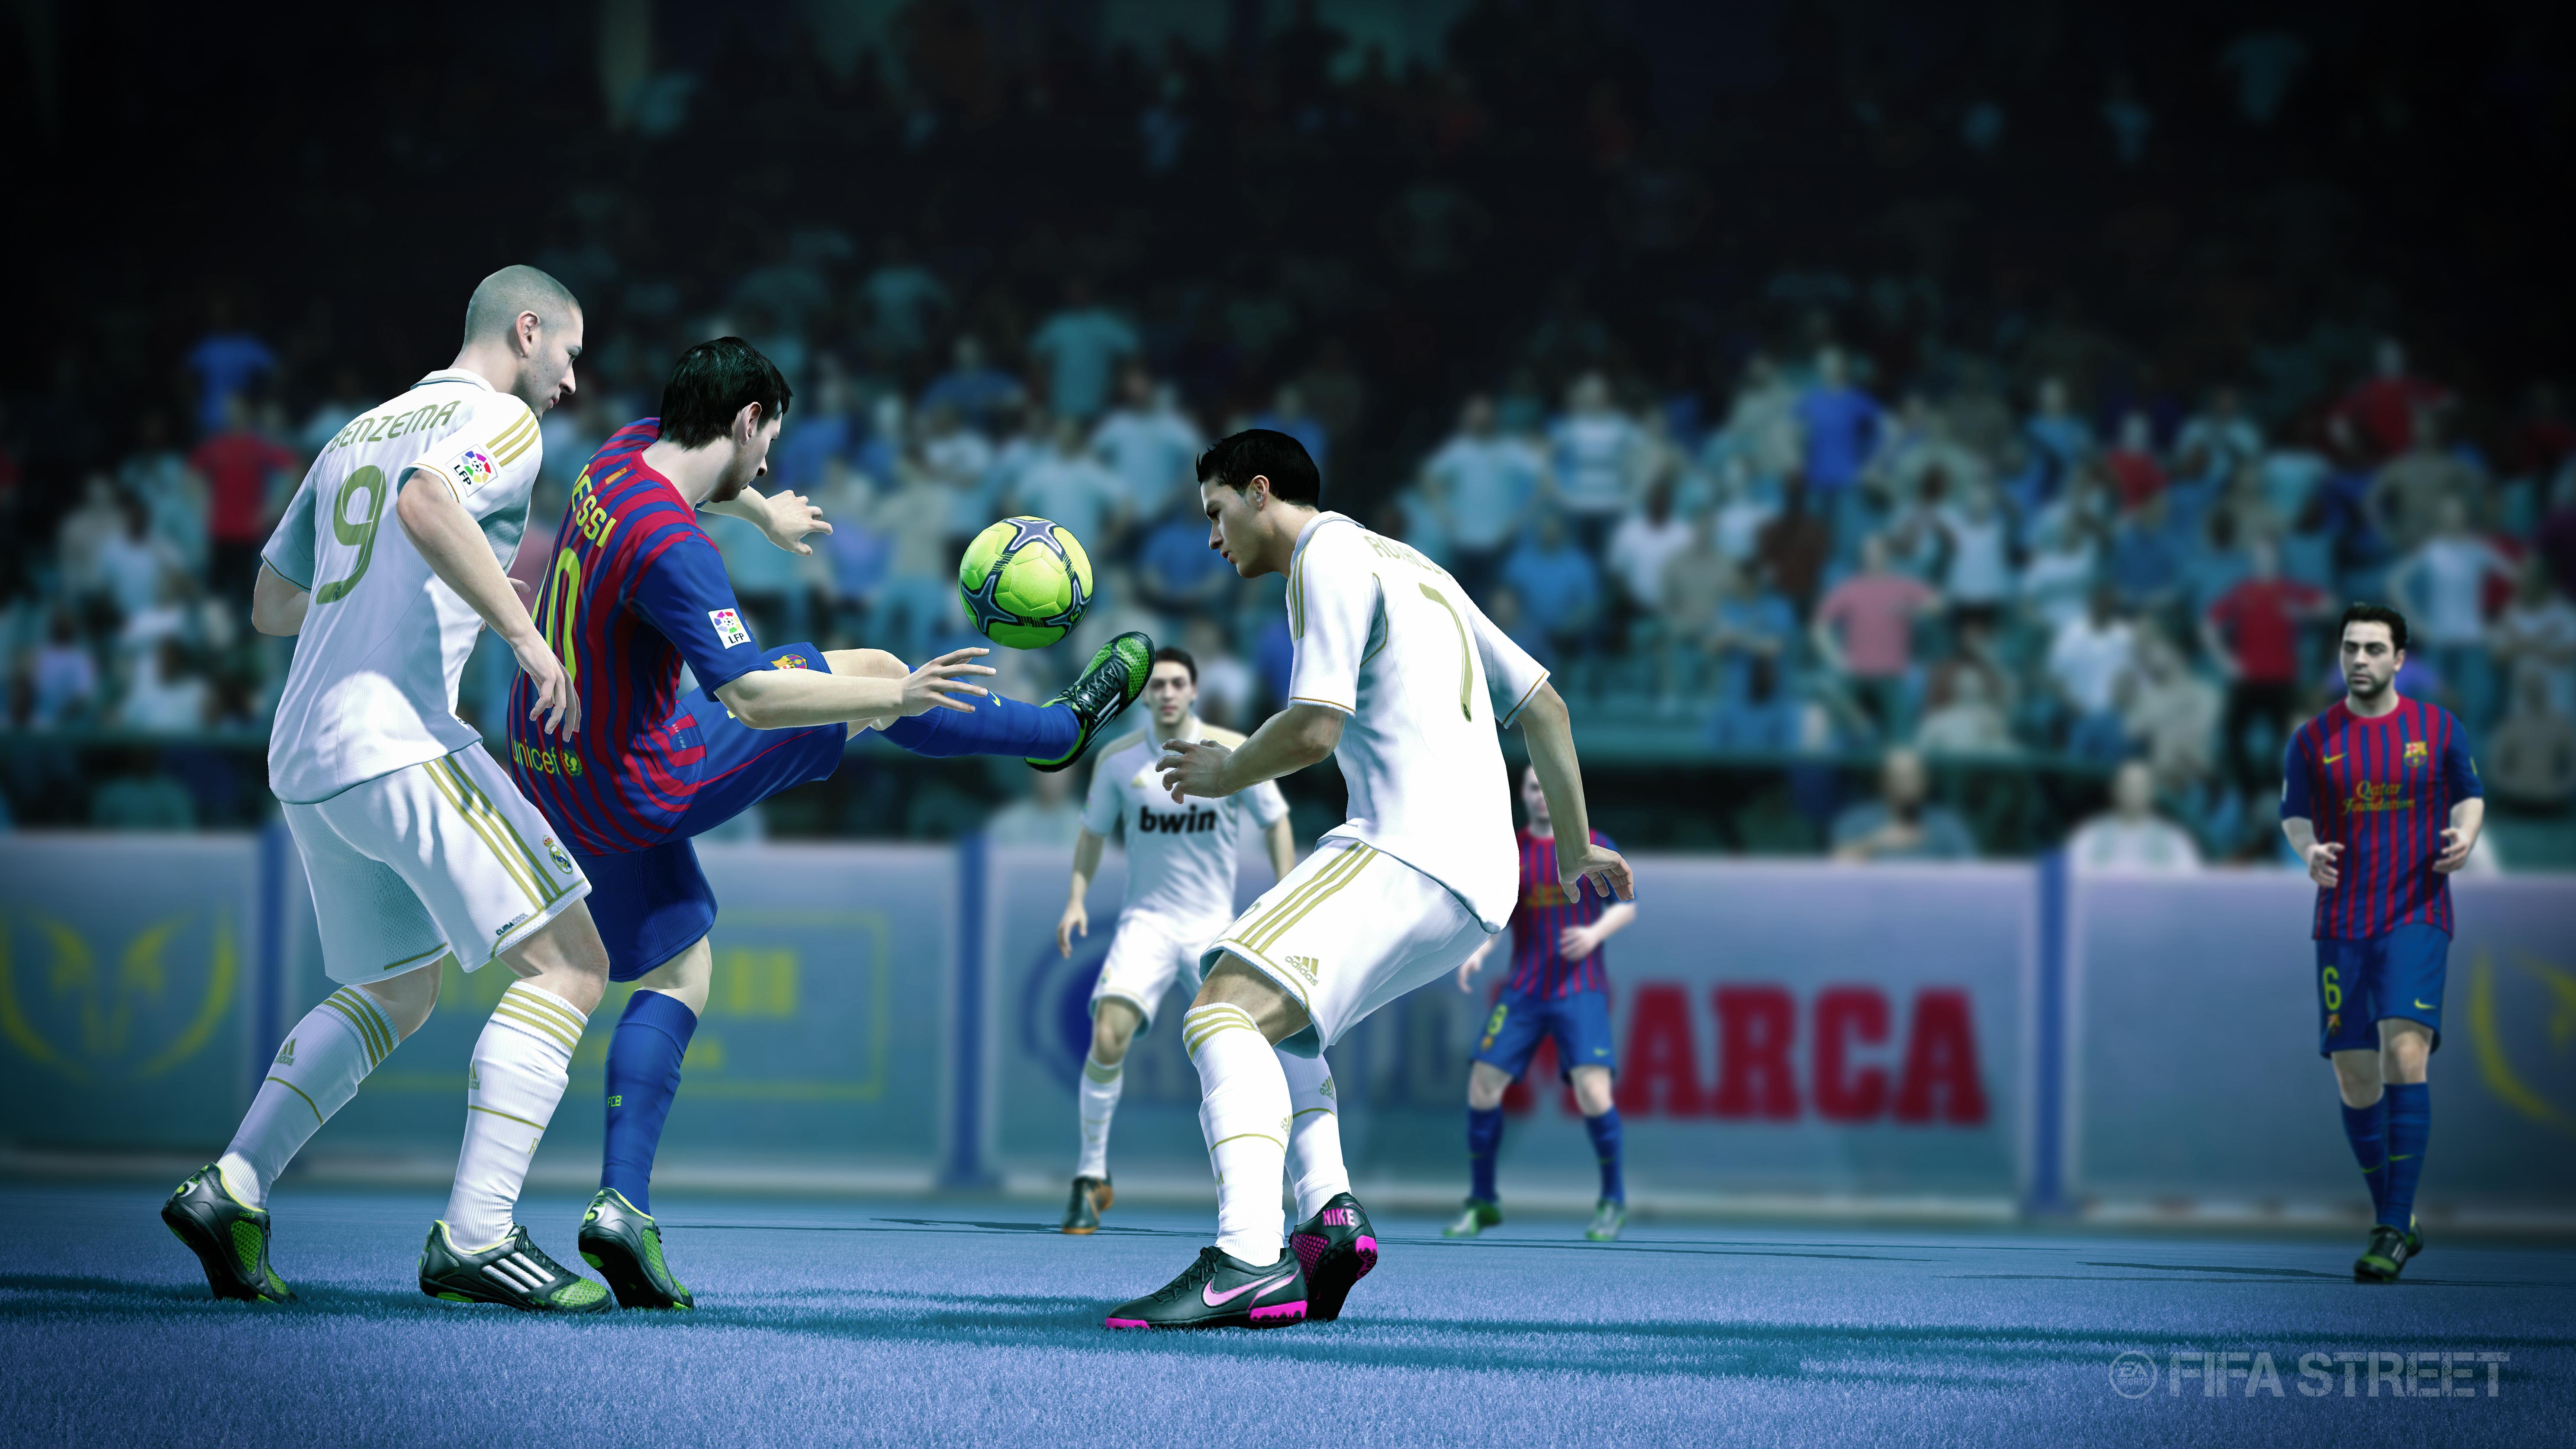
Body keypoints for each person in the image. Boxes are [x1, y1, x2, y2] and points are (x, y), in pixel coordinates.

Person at [506, 337, 1154, 1309]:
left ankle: (621, 1208)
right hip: (640, 780)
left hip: (547, 758)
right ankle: (1058, 732)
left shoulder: (617, 458)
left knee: (681, 968)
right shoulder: (674, 544)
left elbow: (701, 485)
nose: (770, 458)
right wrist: (889, 701)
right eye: (769, 442)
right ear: (746, 420)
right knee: (874, 668)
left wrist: (761, 510)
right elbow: (752, 697)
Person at [161, 266, 621, 1312]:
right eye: (568, 353)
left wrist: (391, 585)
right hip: (398, 738)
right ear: (528, 330)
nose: (570, 380)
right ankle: (477, 1236)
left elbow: (272, 602)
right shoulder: (500, 420)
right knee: (571, 963)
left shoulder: (354, 433)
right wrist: (523, 635)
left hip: (306, 757)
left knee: (396, 988)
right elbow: (425, 502)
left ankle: (233, 1187)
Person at [1108, 428, 1630, 1330]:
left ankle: (1246, 1260)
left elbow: (1315, 726)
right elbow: (1547, 707)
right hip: (1482, 884)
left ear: (1259, 491)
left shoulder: (1325, 555)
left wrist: (1227, 771)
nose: (1212, 536)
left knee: (1220, 1007)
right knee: (1278, 1021)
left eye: (1217, 512)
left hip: (1407, 846)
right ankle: (1330, 1219)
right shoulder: (1423, 570)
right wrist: (1575, 849)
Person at [1053, 648, 1296, 1233]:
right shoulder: (1117, 760)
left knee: (1255, 1050)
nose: (1166, 693)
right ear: (1145, 694)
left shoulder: (1232, 749)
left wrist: (1288, 895)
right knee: (1106, 1034)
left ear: (1193, 691)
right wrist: (1076, 899)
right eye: (1157, 684)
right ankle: (1090, 1176)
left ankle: (1279, 1186)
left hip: (1215, 927)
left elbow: (1276, 821)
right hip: (1149, 922)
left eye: (1177, 683)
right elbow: (1092, 833)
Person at [2280, 603, 2484, 1283]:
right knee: (2354, 1075)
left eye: (2373, 648)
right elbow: (2294, 815)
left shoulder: (2438, 727)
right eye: (2350, 647)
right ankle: (2399, 1216)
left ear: (2400, 658)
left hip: (2416, 911)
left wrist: (2466, 836)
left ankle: (2392, 1227)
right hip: (2343, 920)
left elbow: (2470, 794)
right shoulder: (2312, 739)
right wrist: (2309, 851)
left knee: (2404, 1051)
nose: (2360, 659)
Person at [1444, 765, 1636, 1243]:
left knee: (1594, 1093)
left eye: (1547, 786)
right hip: (1525, 991)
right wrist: (1478, 953)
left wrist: (1594, 933)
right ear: (1524, 794)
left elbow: (1627, 906)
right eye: (1533, 787)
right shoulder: (1512, 853)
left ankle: (1613, 1200)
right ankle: (1482, 1200)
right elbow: (1499, 918)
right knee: (1482, 1086)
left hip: (1580, 989)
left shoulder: (1594, 844)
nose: (1541, 795)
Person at [1830, 747, 1977, 862]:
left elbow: (1971, 872)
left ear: (1925, 782)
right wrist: (1875, 842)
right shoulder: (1857, 820)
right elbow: (1835, 866)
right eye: (1899, 777)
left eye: (1914, 776)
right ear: (1884, 781)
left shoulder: (1946, 824)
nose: (1908, 784)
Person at [2066, 760, 2202, 871]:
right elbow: (2071, 880)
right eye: (2128, 786)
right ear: (2115, 791)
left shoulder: (2174, 842)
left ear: (2152, 793)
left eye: (2141, 787)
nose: (2134, 793)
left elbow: (2189, 886)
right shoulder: (2091, 837)